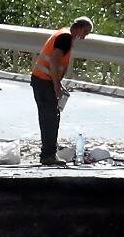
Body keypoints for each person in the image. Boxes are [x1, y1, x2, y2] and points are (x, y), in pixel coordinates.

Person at [29, 16, 93, 166]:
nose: (85, 36)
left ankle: (49, 153)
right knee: (50, 119)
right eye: (86, 32)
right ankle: (48, 155)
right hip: (44, 82)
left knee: (49, 118)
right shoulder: (65, 38)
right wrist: (56, 86)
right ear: (79, 27)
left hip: (42, 80)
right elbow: (54, 60)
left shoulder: (63, 34)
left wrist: (58, 83)